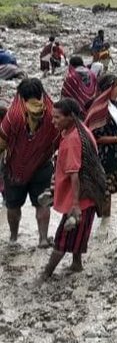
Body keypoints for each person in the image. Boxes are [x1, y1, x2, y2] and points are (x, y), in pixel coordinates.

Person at [37, 99, 106, 283]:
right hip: (87, 196)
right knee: (78, 236)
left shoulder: (73, 140)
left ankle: (46, 274)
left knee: (63, 238)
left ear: (70, 117)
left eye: (57, 118)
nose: (53, 121)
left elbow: (74, 175)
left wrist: (75, 205)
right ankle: (77, 264)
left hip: (79, 200)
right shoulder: (81, 130)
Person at [0, 79, 58, 247]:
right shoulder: (52, 112)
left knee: (13, 205)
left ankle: (13, 238)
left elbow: (2, 142)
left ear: (21, 96)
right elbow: (61, 135)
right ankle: (42, 239)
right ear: (41, 93)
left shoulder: (14, 115)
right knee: (42, 203)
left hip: (15, 168)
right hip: (43, 165)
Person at [85, 74, 117, 218]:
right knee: (104, 193)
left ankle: (103, 223)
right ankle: (103, 227)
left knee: (108, 192)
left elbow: (114, 128)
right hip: (102, 157)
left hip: (113, 155)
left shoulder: (111, 105)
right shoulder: (98, 109)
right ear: (109, 89)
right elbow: (96, 137)